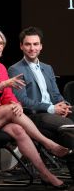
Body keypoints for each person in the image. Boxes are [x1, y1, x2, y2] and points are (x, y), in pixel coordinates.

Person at [0, 27, 71, 189]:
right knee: (10, 111)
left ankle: (46, 175)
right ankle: (48, 144)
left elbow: (8, 96)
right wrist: (1, 85)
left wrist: (15, 104)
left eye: (1, 43)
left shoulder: (0, 67)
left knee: (18, 129)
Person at [8, 26, 74, 179]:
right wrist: (51, 108)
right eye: (28, 44)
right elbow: (23, 101)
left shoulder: (47, 68)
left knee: (70, 116)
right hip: (35, 116)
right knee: (67, 127)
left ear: (41, 46)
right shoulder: (15, 69)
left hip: (53, 111)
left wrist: (63, 105)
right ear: (21, 46)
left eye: (35, 44)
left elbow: (56, 95)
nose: (32, 48)